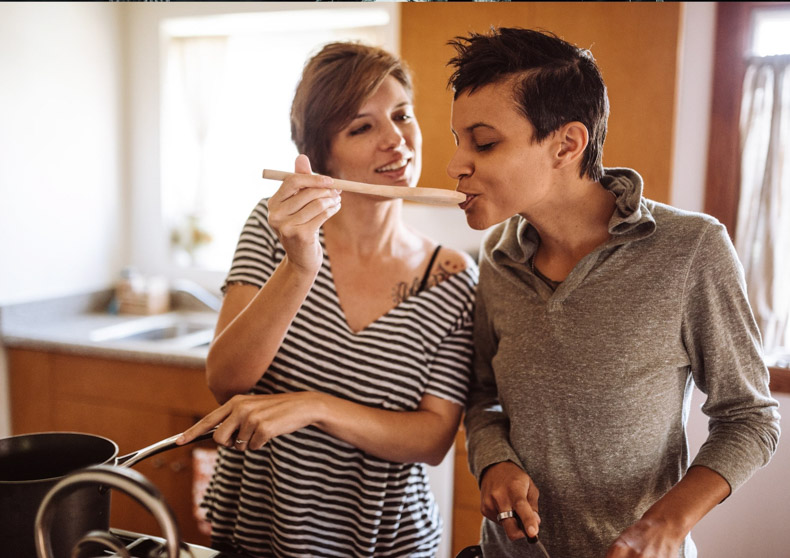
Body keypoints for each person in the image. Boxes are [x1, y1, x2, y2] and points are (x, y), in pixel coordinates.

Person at [445, 27, 781, 558]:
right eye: (458, 141)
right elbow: (484, 394)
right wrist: (494, 461)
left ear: (567, 144)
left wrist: (665, 524)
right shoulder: (497, 257)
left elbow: (750, 418)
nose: (456, 164)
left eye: (484, 143)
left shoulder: (692, 248)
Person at [176, 41, 477, 557]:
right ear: (321, 156)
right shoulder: (274, 231)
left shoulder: (449, 277)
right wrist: (300, 266)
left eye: (401, 115)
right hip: (262, 532)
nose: (395, 141)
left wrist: (312, 407)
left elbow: (431, 439)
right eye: (361, 127)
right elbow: (226, 380)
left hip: (388, 542)